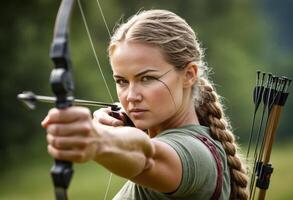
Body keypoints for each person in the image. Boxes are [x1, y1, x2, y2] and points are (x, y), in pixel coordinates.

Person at [41, 9, 249, 200]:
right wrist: (112, 130)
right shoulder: (191, 139)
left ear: (188, 75)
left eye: (147, 78)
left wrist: (95, 138)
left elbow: (147, 157)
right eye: (122, 81)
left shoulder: (197, 155)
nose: (131, 96)